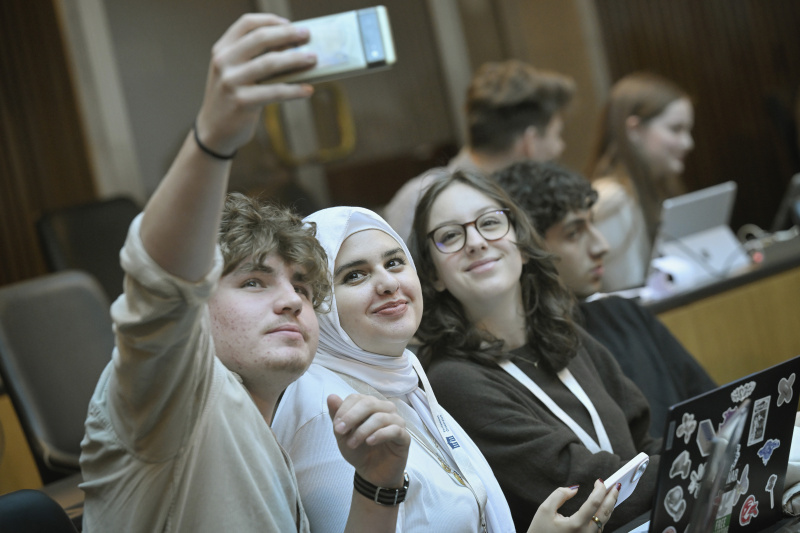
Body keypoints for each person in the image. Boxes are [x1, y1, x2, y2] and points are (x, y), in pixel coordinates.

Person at [79, 14, 411, 532]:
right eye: (253, 282)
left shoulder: (276, 422)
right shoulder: (174, 398)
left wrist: (379, 484)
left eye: (302, 286)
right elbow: (162, 286)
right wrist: (214, 136)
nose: (291, 301)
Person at [271, 205, 621, 533]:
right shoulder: (322, 408)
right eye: (355, 275)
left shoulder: (403, 380)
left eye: (394, 263)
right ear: (314, 301)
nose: (388, 283)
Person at [408, 170, 663, 532]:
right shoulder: (453, 381)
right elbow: (583, 491)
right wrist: (688, 462)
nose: (476, 242)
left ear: (523, 245)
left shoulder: (564, 337)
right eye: (450, 235)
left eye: (490, 223)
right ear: (433, 275)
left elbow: (643, 443)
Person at [493, 160, 716, 438]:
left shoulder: (624, 314)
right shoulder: (522, 360)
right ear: (526, 249)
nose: (601, 246)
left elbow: (717, 409)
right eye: (574, 233)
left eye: (592, 224)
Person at [383, 59, 575, 242]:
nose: (560, 147)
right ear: (529, 142)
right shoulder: (419, 202)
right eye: (557, 134)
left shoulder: (415, 198)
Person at [585, 72, 695, 292]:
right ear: (634, 130)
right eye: (676, 129)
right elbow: (629, 293)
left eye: (688, 130)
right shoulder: (612, 199)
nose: (688, 142)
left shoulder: (654, 185)